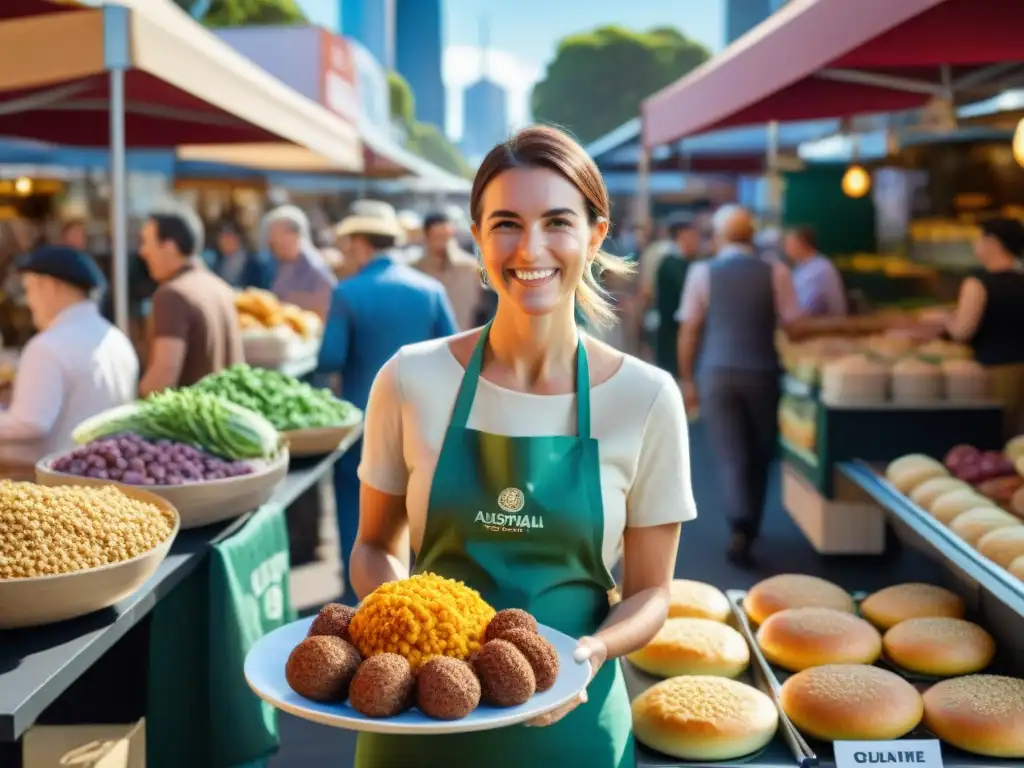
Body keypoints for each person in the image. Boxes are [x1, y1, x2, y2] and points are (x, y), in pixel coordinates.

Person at [349, 125, 695, 768]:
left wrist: (593, 651)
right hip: (420, 725)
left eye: (557, 222)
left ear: (595, 235)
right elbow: (374, 546)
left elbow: (652, 593)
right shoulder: (408, 379)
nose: (530, 248)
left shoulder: (646, 397)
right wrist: (410, 633)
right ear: (477, 238)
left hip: (571, 726)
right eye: (506, 223)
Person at [318, 199, 458, 605]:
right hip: (426, 421)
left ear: (360, 243)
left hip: (363, 421)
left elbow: (330, 357)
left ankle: (359, 598)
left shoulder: (347, 292)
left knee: (360, 517)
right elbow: (455, 350)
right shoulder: (430, 290)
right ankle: (423, 597)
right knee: (422, 506)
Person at [677, 204, 804, 566]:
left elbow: (689, 329)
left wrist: (688, 378)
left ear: (718, 236)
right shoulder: (775, 270)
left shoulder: (703, 272)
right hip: (763, 370)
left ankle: (739, 525)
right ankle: (754, 521)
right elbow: (793, 324)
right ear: (752, 235)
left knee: (731, 450)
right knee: (760, 451)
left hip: (716, 371)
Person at [0, 246, 137, 468]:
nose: (29, 301)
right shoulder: (118, 340)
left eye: (30, 289)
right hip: (109, 479)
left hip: (56, 484)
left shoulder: (46, 346)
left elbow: (31, 422)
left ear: (51, 287)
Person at [908, 217, 1024, 434]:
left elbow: (962, 331)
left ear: (993, 242)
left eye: (979, 239)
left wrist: (944, 318)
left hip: (994, 372)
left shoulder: (978, 283)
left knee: (994, 436)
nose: (975, 245)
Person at [138, 209, 244, 395]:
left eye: (147, 242)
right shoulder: (221, 288)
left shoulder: (173, 295)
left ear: (169, 246)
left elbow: (161, 380)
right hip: (223, 417)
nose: (143, 252)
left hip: (188, 422)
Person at [410, 211, 482, 331]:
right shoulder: (415, 269)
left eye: (445, 236)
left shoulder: (470, 267)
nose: (441, 241)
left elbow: (481, 307)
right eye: (437, 236)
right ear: (427, 235)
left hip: (465, 337)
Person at [265, 205, 336, 321]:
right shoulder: (283, 264)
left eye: (275, 236)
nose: (271, 241)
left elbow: (328, 307)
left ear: (292, 234)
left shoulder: (315, 266)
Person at [653, 218, 702, 374]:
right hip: (672, 333)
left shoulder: (688, 263)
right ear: (682, 236)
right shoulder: (671, 264)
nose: (697, 242)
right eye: (693, 237)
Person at [783, 226, 848, 317]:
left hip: (826, 327)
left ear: (802, 244)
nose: (786, 249)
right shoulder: (800, 267)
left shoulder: (819, 268)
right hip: (811, 325)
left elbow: (805, 310)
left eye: (789, 244)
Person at [204, 222, 272, 290]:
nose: (222, 241)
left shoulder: (254, 262)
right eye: (221, 237)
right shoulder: (216, 259)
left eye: (227, 237)